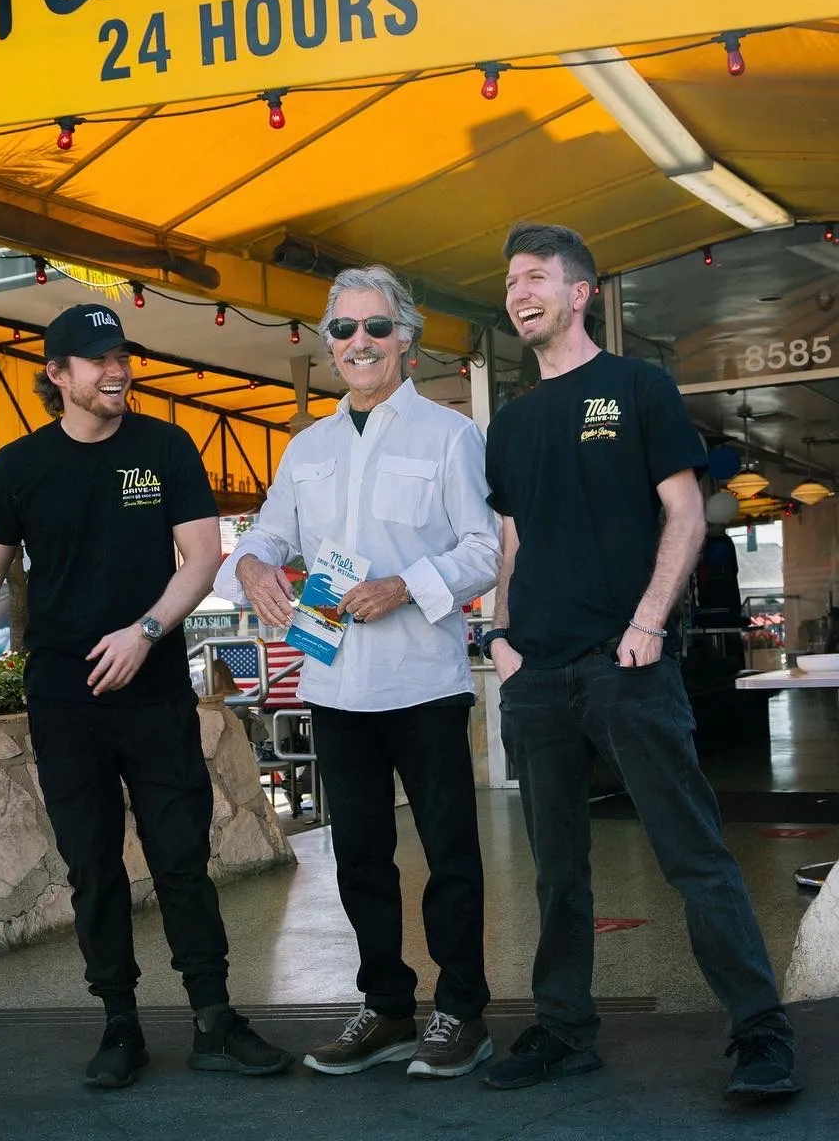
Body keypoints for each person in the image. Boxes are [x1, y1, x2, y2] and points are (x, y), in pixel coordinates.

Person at [479, 224, 800, 1099]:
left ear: (581, 293)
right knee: (555, 868)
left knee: (693, 853)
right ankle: (563, 1029)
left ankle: (762, 1032)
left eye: (537, 277)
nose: (519, 292)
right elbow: (513, 540)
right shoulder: (508, 424)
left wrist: (650, 623)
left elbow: (686, 516)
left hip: (628, 662)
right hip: (535, 675)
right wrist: (501, 640)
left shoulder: (637, 388)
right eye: (511, 280)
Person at [0, 302, 292, 1089]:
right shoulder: (20, 466)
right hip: (63, 696)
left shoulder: (163, 446)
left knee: (181, 860)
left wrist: (145, 632)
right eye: (96, 360)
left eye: (121, 357)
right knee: (92, 865)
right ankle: (119, 1025)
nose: (115, 370)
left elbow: (202, 558)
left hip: (156, 688)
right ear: (57, 376)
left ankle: (213, 1019)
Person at [216, 266, 501, 1080]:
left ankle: (462, 1010)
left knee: (450, 851)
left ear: (405, 339)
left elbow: (483, 550)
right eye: (343, 330)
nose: (359, 343)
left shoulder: (450, 436)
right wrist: (253, 571)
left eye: (376, 328)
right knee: (360, 856)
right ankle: (386, 1009)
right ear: (328, 343)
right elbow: (265, 536)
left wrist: (405, 586)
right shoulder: (307, 449)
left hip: (423, 680)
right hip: (332, 682)